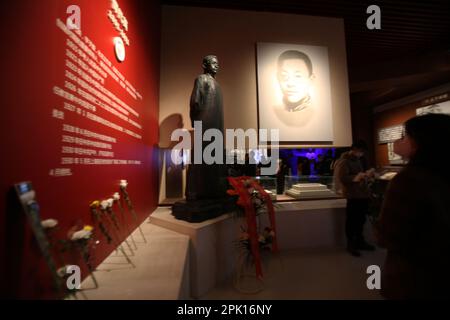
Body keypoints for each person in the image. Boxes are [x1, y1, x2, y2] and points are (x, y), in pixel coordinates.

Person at [376, 114, 450, 299]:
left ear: (419, 142)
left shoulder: (409, 180)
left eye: (404, 136)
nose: (397, 141)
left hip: (416, 276)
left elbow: (388, 235)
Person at [185, 55, 226, 201]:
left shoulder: (217, 85)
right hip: (206, 125)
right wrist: (197, 123)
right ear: (204, 65)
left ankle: (210, 191)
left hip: (215, 126)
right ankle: (196, 192)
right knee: (201, 158)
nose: (216, 66)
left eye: (217, 63)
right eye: (213, 63)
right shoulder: (202, 79)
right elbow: (195, 101)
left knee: (211, 159)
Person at [334, 140, 376, 257]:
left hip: (362, 194)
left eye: (362, 151)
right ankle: (351, 244)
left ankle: (360, 241)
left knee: (360, 220)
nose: (361, 153)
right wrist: (357, 177)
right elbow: (342, 178)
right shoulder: (344, 161)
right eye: (360, 151)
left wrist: (368, 175)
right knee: (352, 220)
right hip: (353, 195)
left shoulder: (360, 159)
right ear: (354, 149)